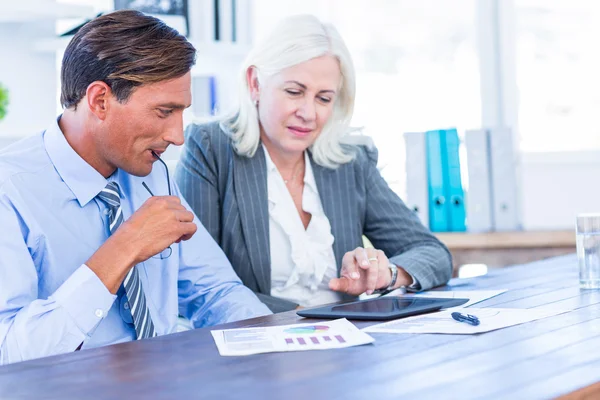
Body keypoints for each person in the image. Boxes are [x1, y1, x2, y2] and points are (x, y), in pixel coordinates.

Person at [0, 10, 270, 365]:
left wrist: (277, 345)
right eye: (163, 112)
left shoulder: (152, 172)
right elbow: (10, 353)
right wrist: (125, 246)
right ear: (99, 101)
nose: (177, 136)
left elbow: (214, 291)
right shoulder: (10, 191)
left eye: (182, 112)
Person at [175, 14, 453, 313]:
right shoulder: (210, 148)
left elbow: (433, 253)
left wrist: (387, 274)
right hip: (255, 339)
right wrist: (303, 317)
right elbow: (193, 281)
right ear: (255, 83)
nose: (308, 113)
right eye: (294, 92)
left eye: (323, 98)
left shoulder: (350, 161)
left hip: (346, 342)